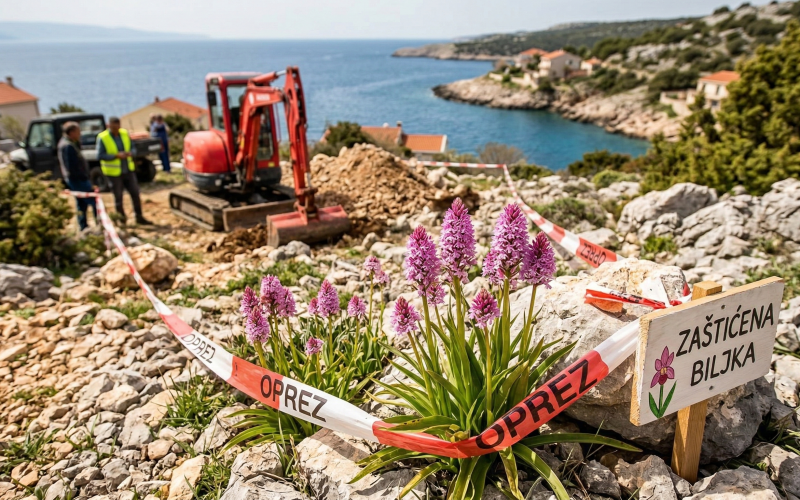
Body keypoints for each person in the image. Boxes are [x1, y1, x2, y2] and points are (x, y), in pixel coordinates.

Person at [97, 117, 152, 225]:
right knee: (118, 197)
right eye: (114, 127)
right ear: (109, 126)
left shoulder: (124, 134)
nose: (116, 129)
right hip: (114, 173)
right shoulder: (103, 137)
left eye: (118, 127)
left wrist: (131, 153)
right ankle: (122, 219)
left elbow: (132, 147)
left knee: (135, 194)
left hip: (128, 170)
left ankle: (139, 217)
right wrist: (116, 156)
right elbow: (100, 155)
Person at [58, 121, 96, 230]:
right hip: (78, 179)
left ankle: (83, 226)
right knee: (93, 201)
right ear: (71, 132)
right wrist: (83, 176)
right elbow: (72, 166)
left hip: (77, 179)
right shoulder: (67, 146)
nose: (80, 134)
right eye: (78, 131)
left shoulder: (71, 143)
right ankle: (98, 225)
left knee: (81, 204)